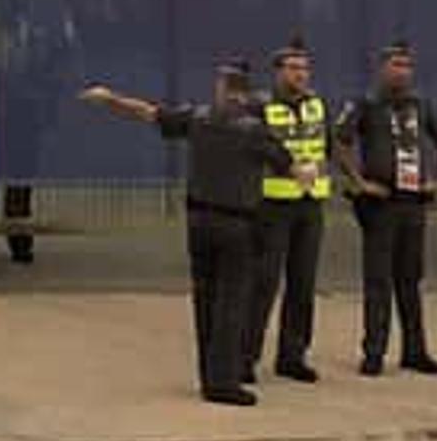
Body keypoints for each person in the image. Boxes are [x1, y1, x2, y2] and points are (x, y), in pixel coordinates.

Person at [85, 62, 292, 405]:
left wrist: (110, 99)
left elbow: (149, 113)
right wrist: (305, 172)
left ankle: (208, 376)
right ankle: (223, 382)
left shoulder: (198, 118)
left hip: (198, 221)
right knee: (232, 303)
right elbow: (286, 164)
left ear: (222, 88)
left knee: (204, 300)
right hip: (237, 223)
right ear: (245, 92)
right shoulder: (255, 130)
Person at [337, 41, 437, 378]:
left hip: (413, 202)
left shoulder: (420, 104)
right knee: (378, 280)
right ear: (383, 69)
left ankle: (415, 351)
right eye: (396, 65)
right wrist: (358, 181)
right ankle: (374, 351)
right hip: (380, 204)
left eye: (407, 65)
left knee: (410, 279)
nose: (402, 71)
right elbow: (340, 140)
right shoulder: (366, 104)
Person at [249, 40, 335, 385]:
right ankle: (246, 355)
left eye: (304, 68)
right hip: (272, 205)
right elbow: (254, 146)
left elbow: (325, 144)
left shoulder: (316, 104)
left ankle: (293, 355)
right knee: (263, 283)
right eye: (293, 68)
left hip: (310, 204)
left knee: (303, 283)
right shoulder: (261, 106)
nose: (301, 74)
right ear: (278, 72)